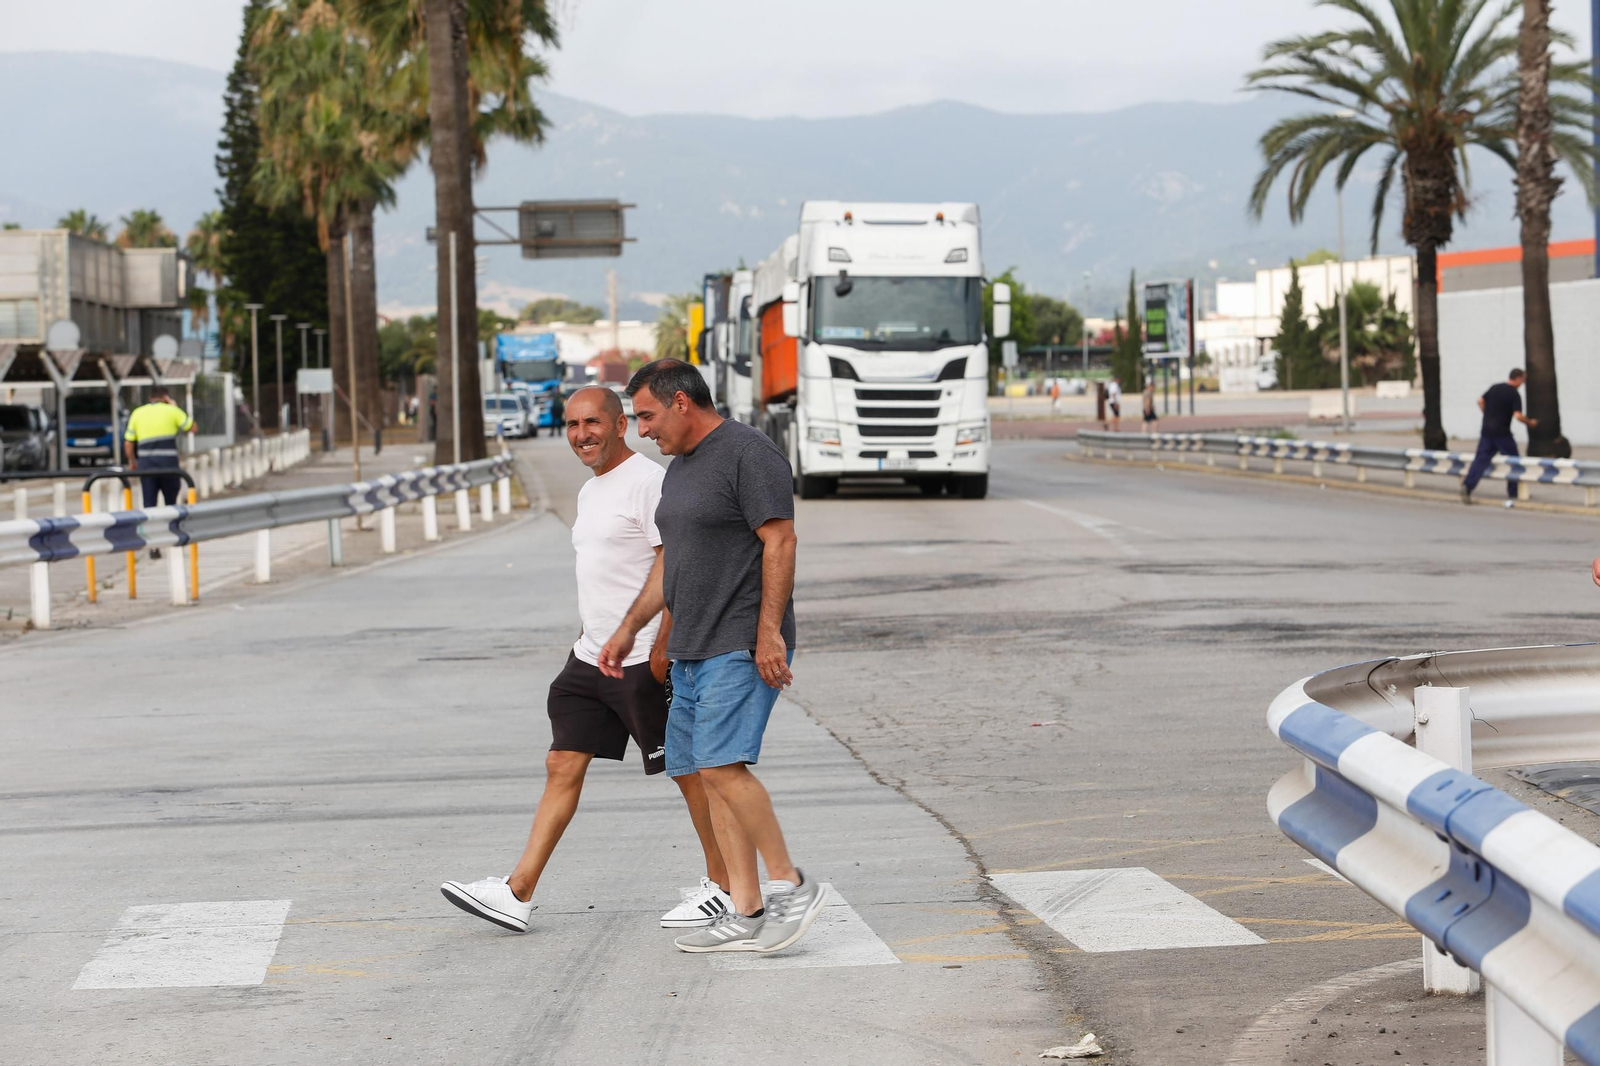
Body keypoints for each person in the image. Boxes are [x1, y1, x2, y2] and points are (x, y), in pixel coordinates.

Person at [441, 386, 735, 933]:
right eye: (573, 425)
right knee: (562, 762)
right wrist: (587, 633)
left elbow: (674, 563)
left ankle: (726, 887)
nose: (582, 435)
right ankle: (516, 891)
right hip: (592, 656)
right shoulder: (592, 490)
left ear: (620, 424)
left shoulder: (650, 483)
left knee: (690, 774)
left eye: (593, 423)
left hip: (644, 657)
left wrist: (665, 647)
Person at [600, 359, 827, 955]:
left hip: (739, 639)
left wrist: (770, 633)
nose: (642, 430)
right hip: (691, 645)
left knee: (724, 766)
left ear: (681, 403)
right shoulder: (678, 471)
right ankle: (746, 909)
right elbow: (672, 560)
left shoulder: (749, 454)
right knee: (703, 772)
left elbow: (780, 540)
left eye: (646, 415)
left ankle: (792, 884)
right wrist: (634, 630)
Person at [123, 387, 195, 560]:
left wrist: (133, 462)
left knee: (150, 504)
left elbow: (128, 443)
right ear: (165, 397)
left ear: (150, 397)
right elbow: (192, 427)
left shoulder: (138, 413)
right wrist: (175, 407)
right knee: (171, 504)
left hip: (147, 466)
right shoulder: (172, 411)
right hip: (169, 466)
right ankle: (173, 539)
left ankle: (153, 546)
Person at [1461, 368, 1536, 508]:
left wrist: (1486, 413)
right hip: (1502, 434)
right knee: (1514, 461)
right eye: (1523, 380)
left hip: (1487, 431)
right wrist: (1530, 423)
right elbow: (1518, 415)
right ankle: (1514, 492)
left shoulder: (1495, 387)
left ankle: (1467, 486)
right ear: (1518, 378)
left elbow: (1480, 400)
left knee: (1480, 460)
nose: (1523, 383)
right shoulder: (1514, 394)